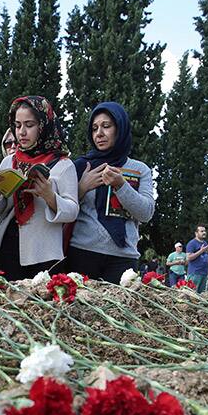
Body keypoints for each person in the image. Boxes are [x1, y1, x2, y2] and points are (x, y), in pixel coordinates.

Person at [0, 96, 78, 280]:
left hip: (44, 253)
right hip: (8, 247)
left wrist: (49, 196)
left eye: (29, 125)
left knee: (41, 307)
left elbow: (73, 211)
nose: (22, 132)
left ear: (43, 125)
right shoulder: (9, 161)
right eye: (18, 125)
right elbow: (0, 209)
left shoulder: (63, 164)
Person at [65, 102, 155, 282]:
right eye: (94, 128)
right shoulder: (81, 166)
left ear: (120, 128)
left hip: (123, 258)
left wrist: (121, 185)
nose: (99, 133)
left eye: (106, 126)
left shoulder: (139, 169)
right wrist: (82, 188)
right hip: (82, 252)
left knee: (119, 309)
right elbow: (63, 208)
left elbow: (146, 213)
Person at [185, 225, 208, 292]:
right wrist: (201, 250)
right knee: (192, 295)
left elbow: (204, 255)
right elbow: (189, 257)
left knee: (201, 296)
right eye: (202, 231)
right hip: (195, 273)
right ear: (196, 233)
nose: (204, 233)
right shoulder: (192, 243)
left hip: (204, 273)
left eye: (205, 231)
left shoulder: (205, 243)